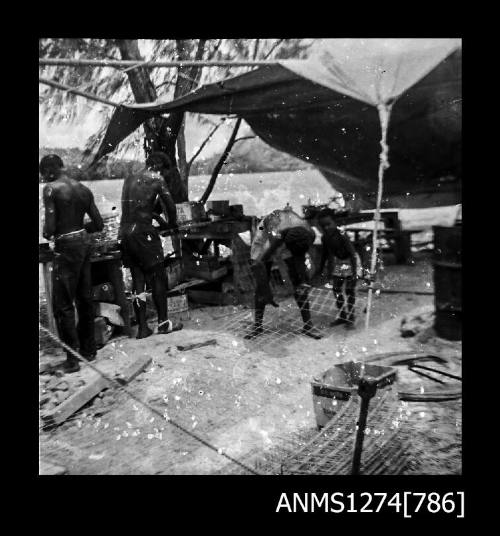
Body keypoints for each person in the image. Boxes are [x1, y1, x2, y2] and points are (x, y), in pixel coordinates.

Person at [41, 154, 104, 373]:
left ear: (48, 171)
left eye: (43, 174)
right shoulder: (83, 190)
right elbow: (98, 224)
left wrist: (50, 231)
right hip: (84, 246)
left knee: (63, 305)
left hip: (66, 248)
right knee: (84, 298)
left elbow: (48, 229)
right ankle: (89, 350)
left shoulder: (51, 189)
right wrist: (79, 231)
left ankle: (72, 359)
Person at [119, 151, 183, 339]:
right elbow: (170, 207)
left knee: (138, 280)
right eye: (164, 170)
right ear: (159, 167)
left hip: (125, 233)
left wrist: (153, 215)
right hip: (143, 234)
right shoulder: (156, 179)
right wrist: (172, 224)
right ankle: (163, 323)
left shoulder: (129, 178)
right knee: (157, 278)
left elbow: (133, 208)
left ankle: (142, 328)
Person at [245, 210, 323, 340]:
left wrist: (303, 279)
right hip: (266, 236)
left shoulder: (309, 234)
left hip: (287, 234)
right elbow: (261, 262)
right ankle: (257, 326)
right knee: (261, 286)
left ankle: (308, 326)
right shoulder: (277, 236)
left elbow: (300, 258)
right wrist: (265, 290)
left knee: (299, 282)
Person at [315, 208, 361, 329]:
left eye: (328, 224)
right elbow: (325, 254)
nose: (326, 228)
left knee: (349, 291)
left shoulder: (342, 235)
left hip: (352, 261)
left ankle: (351, 318)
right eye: (322, 226)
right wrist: (320, 269)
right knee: (336, 290)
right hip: (340, 263)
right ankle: (342, 316)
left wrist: (355, 273)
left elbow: (352, 254)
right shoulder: (325, 238)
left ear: (335, 222)